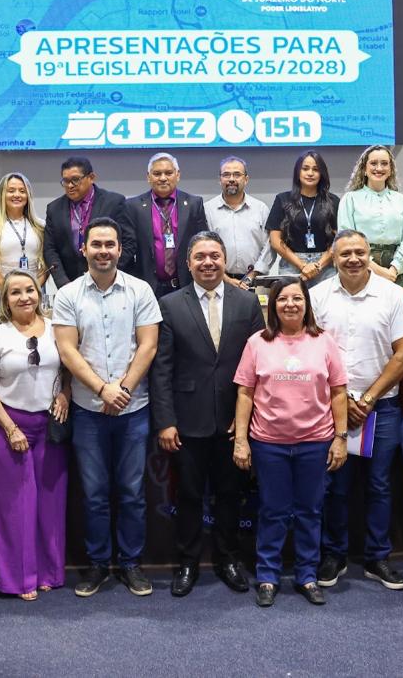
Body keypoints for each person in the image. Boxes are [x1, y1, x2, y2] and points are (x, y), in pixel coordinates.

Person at [149, 231, 265, 597]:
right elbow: (162, 369)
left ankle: (228, 559)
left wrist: (249, 419)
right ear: (188, 263)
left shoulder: (247, 302)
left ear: (224, 259)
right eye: (200, 256)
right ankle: (187, 563)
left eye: (214, 255)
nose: (208, 262)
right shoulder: (169, 304)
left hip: (233, 420)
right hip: (187, 419)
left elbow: (259, 364)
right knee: (188, 495)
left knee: (230, 494)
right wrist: (166, 421)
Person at [53, 217, 161, 597]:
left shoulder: (140, 290)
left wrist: (123, 390)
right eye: (96, 245)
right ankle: (99, 564)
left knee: (132, 492)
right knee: (95, 494)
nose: (103, 251)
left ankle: (130, 564)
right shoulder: (68, 295)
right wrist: (103, 390)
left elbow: (148, 345)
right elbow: (67, 350)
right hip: (88, 410)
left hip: (134, 409)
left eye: (109, 245)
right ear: (84, 249)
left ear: (119, 249)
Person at [311, 230, 403, 590]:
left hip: (381, 408)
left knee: (379, 485)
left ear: (370, 254)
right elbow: (310, 352)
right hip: (331, 407)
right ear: (333, 258)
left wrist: (368, 399)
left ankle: (377, 557)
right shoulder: (318, 296)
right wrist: (342, 401)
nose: (353, 259)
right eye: (345, 254)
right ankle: (334, 555)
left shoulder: (393, 295)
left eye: (360, 252)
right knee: (334, 485)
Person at [233, 277, 348, 608]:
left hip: (316, 441)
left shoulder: (324, 341)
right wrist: (241, 440)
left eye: (297, 298)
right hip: (269, 443)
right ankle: (267, 576)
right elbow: (245, 393)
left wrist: (340, 439)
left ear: (306, 304)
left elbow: (338, 392)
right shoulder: (258, 342)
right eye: (283, 299)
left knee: (310, 511)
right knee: (273, 511)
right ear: (272, 305)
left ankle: (307, 575)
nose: (290, 305)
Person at [0, 269, 71, 601]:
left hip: (50, 424)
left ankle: (48, 572)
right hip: (8, 426)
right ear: (5, 300)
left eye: (29, 290)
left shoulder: (57, 330)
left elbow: (69, 371)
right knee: (16, 505)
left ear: (38, 294)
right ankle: (17, 578)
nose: (24, 297)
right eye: (15, 292)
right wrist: (10, 428)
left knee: (50, 502)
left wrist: (65, 395)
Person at [43, 156, 135, 288]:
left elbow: (129, 242)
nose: (70, 186)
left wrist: (107, 272)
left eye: (75, 180)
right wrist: (63, 283)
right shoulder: (54, 209)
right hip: (71, 285)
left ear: (91, 177)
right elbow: (50, 249)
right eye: (66, 181)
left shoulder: (114, 202)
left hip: (110, 281)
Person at [125, 152, 209, 298]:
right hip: (147, 288)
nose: (163, 178)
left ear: (178, 175)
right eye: (157, 173)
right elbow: (128, 248)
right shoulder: (133, 206)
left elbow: (203, 244)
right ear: (148, 177)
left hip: (185, 285)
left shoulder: (193, 204)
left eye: (168, 173)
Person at [338, 145, 403, 288]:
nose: (379, 168)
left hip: (395, 270)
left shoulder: (401, 200)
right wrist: (376, 269)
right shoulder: (350, 199)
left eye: (384, 163)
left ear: (391, 169)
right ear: (364, 168)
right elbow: (347, 239)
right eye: (373, 163)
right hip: (360, 265)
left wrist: (394, 269)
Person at [266, 150, 340, 286]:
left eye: (315, 169)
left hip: (325, 266)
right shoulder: (282, 199)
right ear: (297, 172)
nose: (310, 173)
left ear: (322, 173)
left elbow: (338, 240)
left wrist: (318, 265)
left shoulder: (333, 201)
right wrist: (302, 265)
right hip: (292, 264)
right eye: (305, 169)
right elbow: (275, 241)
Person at [0, 173, 48, 304]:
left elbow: (47, 263)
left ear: (28, 195)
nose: (17, 195)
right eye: (11, 191)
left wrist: (33, 290)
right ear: (2, 195)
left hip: (31, 298)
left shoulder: (40, 225)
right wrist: (9, 291)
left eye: (22, 191)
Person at [204, 156, 275, 286]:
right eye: (226, 175)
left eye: (237, 174)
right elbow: (204, 248)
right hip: (218, 281)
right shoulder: (207, 210)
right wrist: (226, 279)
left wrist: (251, 276)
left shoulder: (260, 209)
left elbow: (269, 246)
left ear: (246, 179)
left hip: (255, 281)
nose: (231, 179)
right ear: (220, 180)